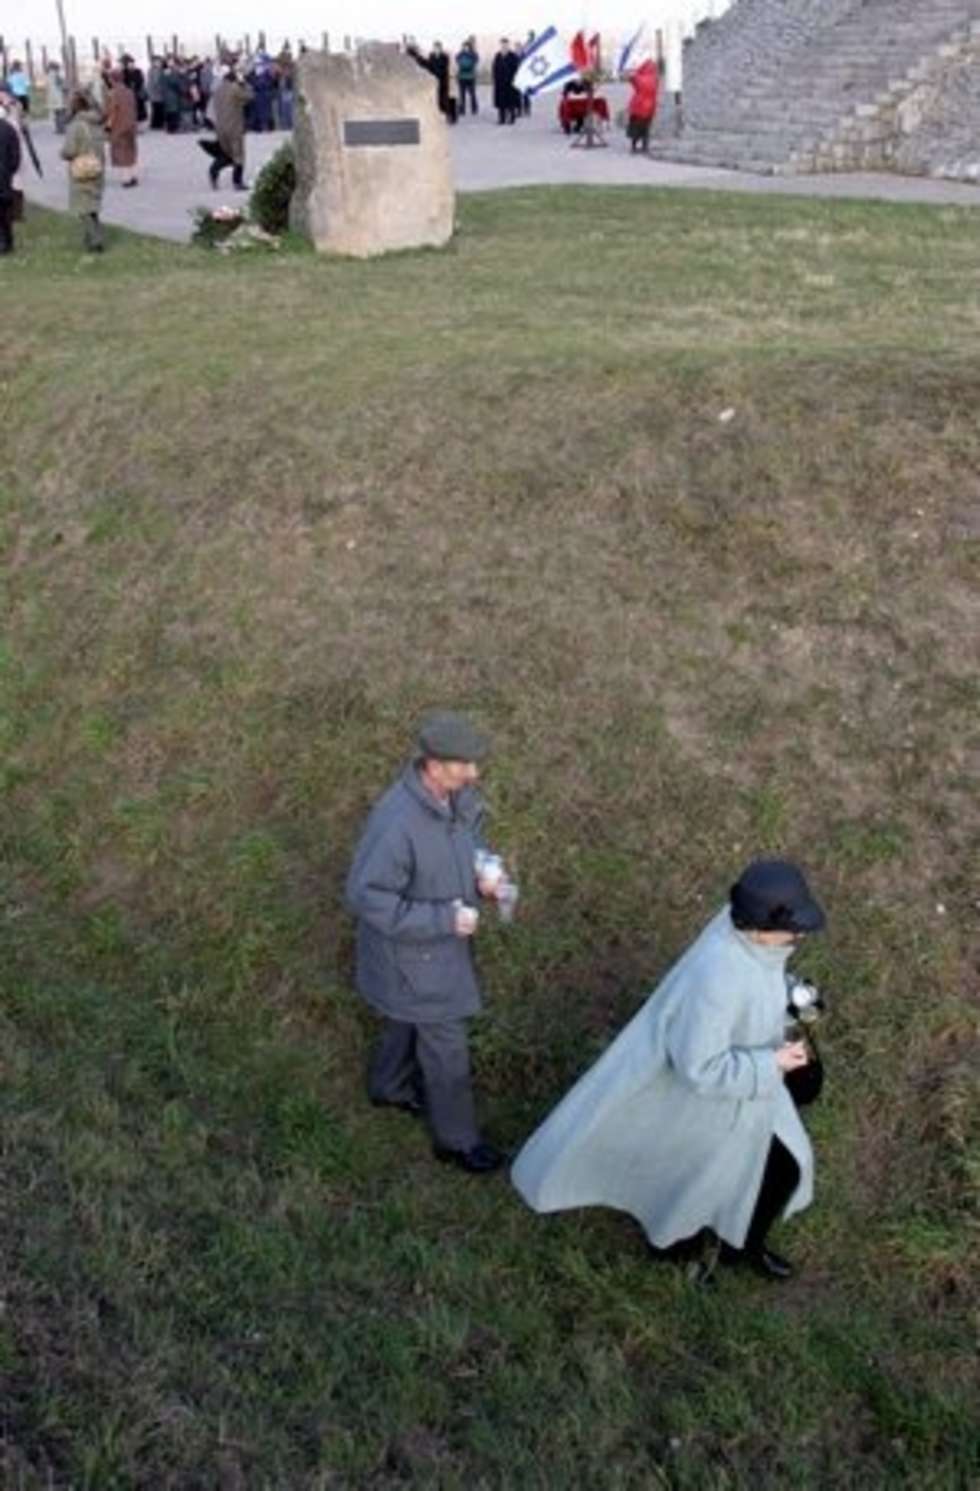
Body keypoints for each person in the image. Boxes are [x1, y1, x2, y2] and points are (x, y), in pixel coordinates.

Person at [512, 860, 827, 1282]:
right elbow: (700, 1066)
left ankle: (743, 1246)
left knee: (783, 1165)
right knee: (690, 1187)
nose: (800, 934)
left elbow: (759, 978)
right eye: (793, 926)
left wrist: (787, 994)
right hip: (708, 1104)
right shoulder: (718, 975)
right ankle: (678, 1251)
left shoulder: (745, 934)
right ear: (761, 925)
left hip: (752, 1094)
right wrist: (769, 1064)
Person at [345, 711, 511, 1175]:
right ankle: (457, 1141)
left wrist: (482, 871)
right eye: (464, 766)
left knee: (405, 1018)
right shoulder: (396, 825)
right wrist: (444, 919)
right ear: (434, 765)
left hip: (426, 955)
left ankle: (388, 1086)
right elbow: (366, 897)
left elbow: (466, 839)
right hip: (415, 957)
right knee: (446, 1049)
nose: (474, 774)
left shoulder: (453, 798)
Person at [60, 89, 106, 252]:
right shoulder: (96, 123)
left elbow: (69, 150)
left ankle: (95, 240)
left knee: (82, 208)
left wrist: (63, 154)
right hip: (97, 168)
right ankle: (93, 237)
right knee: (92, 207)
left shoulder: (76, 126)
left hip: (82, 170)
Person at [208, 66, 252, 190]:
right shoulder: (235, 88)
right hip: (234, 126)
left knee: (227, 155)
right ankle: (237, 182)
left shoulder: (218, 89)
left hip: (220, 127)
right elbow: (250, 96)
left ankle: (213, 171)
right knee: (239, 155)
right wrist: (244, 83)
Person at [105, 68, 138, 188]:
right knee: (131, 150)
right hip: (131, 125)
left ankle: (126, 179)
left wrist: (108, 126)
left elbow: (112, 112)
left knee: (121, 152)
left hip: (119, 126)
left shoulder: (113, 94)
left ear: (112, 79)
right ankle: (133, 175)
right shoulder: (129, 91)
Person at [0, 96, 23, 254]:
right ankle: (7, 242)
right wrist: (10, 170)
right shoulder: (9, 130)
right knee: (5, 213)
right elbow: (16, 156)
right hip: (4, 176)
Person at [626, 58, 660, 153]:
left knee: (635, 126)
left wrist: (637, 70)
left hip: (638, 105)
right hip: (650, 106)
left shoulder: (638, 78)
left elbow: (631, 78)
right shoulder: (655, 79)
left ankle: (633, 147)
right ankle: (645, 146)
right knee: (646, 127)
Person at [492, 39, 520, 126]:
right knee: (501, 102)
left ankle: (512, 117)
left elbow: (516, 69)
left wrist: (514, 79)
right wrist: (495, 78)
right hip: (500, 82)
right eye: (502, 45)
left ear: (508, 45)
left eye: (505, 45)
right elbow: (494, 68)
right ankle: (501, 118)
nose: (504, 47)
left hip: (510, 82)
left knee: (511, 101)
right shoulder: (497, 55)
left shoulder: (513, 56)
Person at [456, 38, 478, 117]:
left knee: (472, 94)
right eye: (464, 46)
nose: (465, 48)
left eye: (467, 46)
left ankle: (474, 109)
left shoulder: (473, 54)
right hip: (461, 77)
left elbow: (472, 63)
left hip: (471, 78)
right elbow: (458, 62)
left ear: (469, 47)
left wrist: (465, 64)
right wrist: (465, 64)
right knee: (462, 95)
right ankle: (462, 109)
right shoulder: (460, 54)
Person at [46, 61, 67, 133]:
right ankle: (62, 128)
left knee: (55, 114)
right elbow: (61, 86)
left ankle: (58, 129)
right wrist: (66, 89)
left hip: (51, 98)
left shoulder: (48, 75)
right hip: (58, 96)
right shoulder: (57, 75)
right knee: (60, 113)